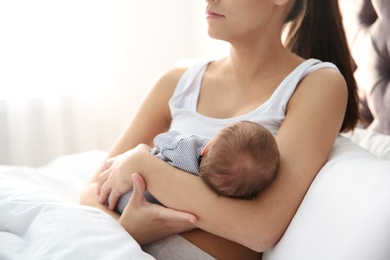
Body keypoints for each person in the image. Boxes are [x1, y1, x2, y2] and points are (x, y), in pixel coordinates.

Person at [80, 0, 360, 259]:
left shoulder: (317, 83)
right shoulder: (177, 82)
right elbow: (92, 191)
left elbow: (259, 229)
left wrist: (144, 165)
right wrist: (129, 228)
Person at [111, 121, 279, 214]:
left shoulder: (186, 148)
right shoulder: (231, 194)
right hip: (142, 206)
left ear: (205, 149)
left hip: (127, 193)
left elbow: (162, 140)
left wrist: (145, 150)